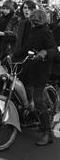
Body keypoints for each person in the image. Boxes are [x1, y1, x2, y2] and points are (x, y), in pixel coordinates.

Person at [15, 9, 58, 146]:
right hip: (31, 68)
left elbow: (54, 50)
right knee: (30, 95)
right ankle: (34, 119)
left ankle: (48, 133)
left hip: (42, 70)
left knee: (39, 101)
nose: (33, 21)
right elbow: (27, 47)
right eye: (33, 19)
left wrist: (44, 52)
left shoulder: (45, 31)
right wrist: (13, 56)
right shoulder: (33, 31)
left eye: (36, 19)